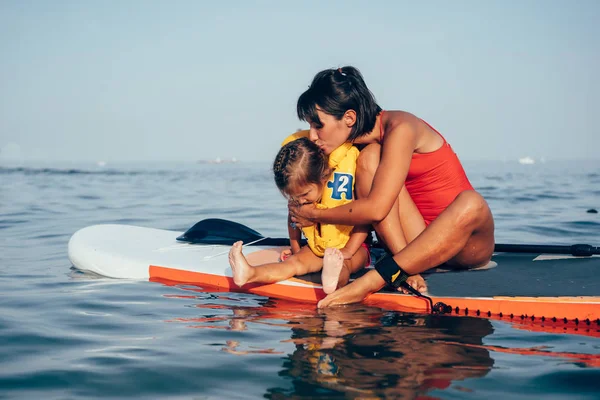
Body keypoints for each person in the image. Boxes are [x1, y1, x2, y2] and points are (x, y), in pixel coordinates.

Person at [288, 66, 495, 308]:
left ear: (349, 118)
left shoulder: (401, 128)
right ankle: (403, 268)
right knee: (369, 157)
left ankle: (374, 280)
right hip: (415, 244)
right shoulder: (360, 150)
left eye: (318, 125)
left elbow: (376, 209)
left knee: (472, 202)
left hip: (463, 245)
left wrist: (314, 214)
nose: (312, 135)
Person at [229, 136, 371, 294]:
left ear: (324, 177)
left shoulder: (346, 189)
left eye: (305, 194)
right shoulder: (301, 198)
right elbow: (292, 221)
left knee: (346, 264)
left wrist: (349, 251)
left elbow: (363, 221)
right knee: (293, 263)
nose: (301, 201)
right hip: (316, 247)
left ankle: (333, 279)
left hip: (355, 247)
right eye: (295, 197)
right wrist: (296, 249)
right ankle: (249, 273)